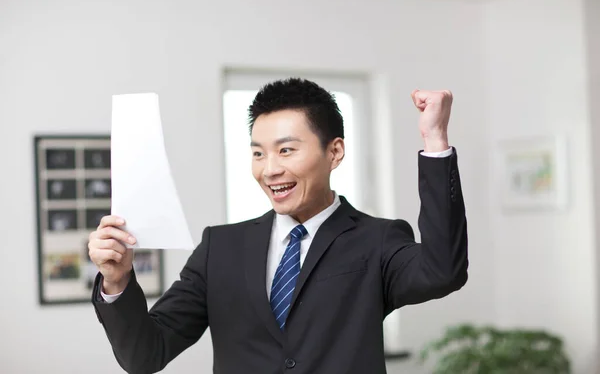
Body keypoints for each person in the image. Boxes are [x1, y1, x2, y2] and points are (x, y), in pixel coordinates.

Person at [89, 78, 468, 374]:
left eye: (286, 150)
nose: (270, 169)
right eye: (258, 153)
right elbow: (145, 354)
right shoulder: (219, 248)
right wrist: (117, 282)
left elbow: (442, 271)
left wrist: (435, 142)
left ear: (334, 152)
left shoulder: (378, 240)